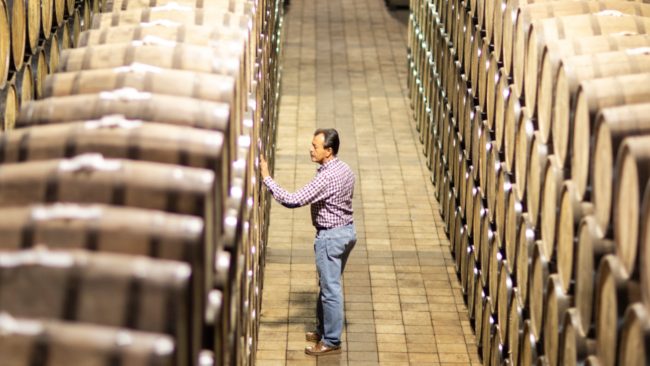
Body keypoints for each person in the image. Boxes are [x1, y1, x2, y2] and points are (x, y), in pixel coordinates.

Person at [260, 128, 356, 356]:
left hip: (330, 237)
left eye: (315, 146)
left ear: (328, 150)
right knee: (327, 284)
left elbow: (292, 200)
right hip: (347, 233)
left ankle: (331, 340)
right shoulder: (345, 169)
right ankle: (324, 330)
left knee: (330, 289)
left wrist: (266, 178)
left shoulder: (326, 177)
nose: (310, 149)